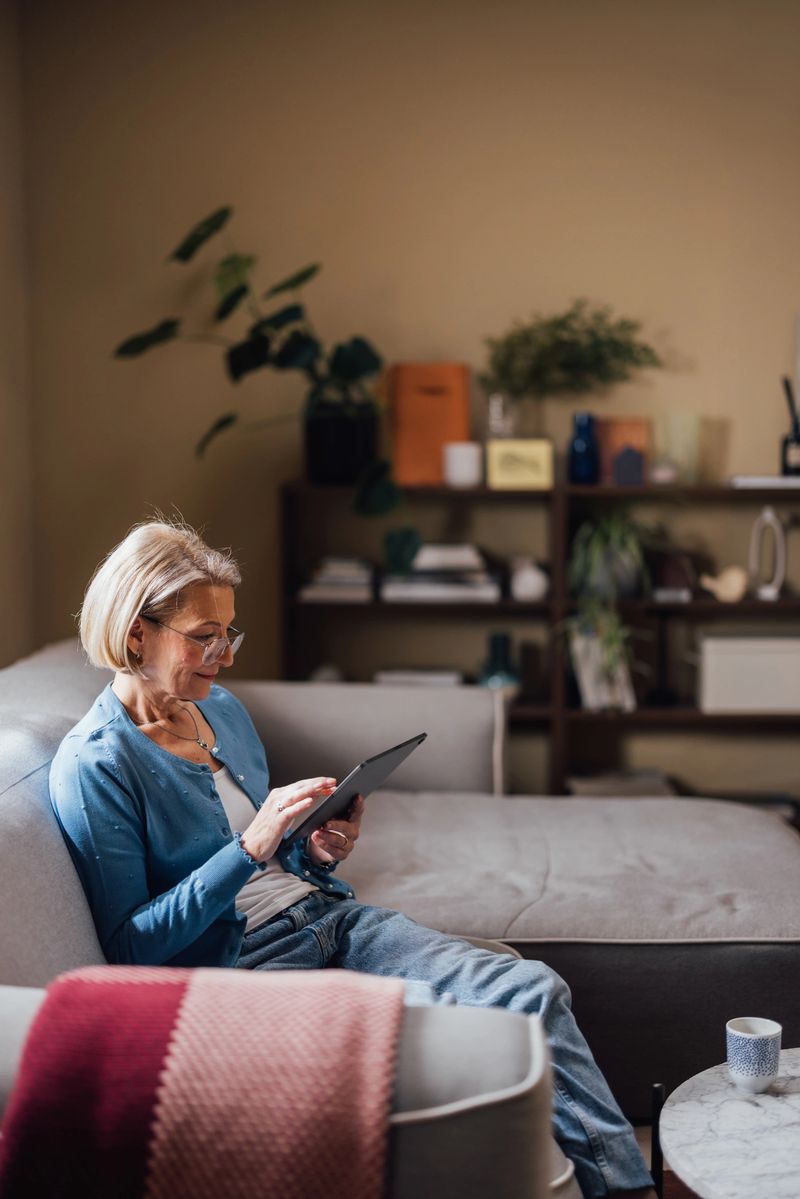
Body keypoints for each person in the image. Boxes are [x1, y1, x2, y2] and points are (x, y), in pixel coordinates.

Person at [51, 520, 654, 1199]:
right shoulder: (96, 762)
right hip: (249, 969)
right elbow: (132, 946)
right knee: (475, 1033)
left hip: (331, 921)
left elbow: (278, 865)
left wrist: (313, 849)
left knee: (533, 990)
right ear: (137, 632)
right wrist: (249, 847)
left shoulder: (221, 710)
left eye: (229, 632)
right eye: (203, 635)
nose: (223, 653)